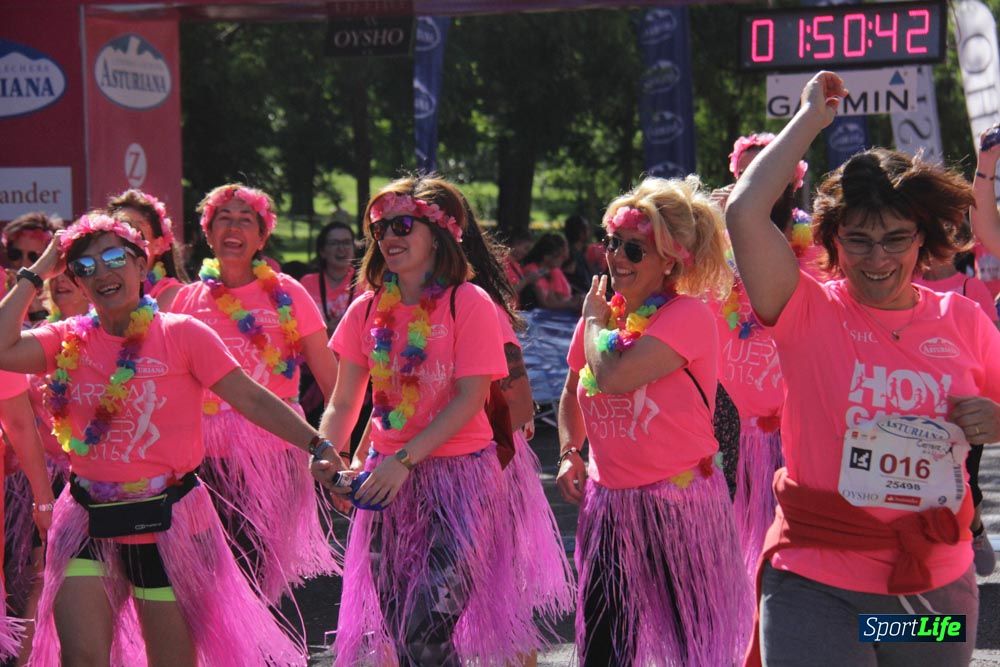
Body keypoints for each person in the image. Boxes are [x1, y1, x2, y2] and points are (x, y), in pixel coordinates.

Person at [727, 71, 995, 666]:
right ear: (833, 240)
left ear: (923, 240)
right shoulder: (807, 308)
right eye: (859, 241)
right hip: (818, 585)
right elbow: (745, 212)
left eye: (896, 240)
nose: (878, 259)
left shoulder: (964, 321)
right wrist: (809, 121)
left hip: (933, 587)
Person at [0, 213, 342, 665]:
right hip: (87, 520)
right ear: (78, 286)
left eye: (115, 258)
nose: (103, 273)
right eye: (85, 267)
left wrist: (318, 445)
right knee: (81, 657)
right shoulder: (65, 341)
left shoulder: (182, 334)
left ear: (142, 266)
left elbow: (252, 400)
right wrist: (36, 272)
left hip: (168, 524)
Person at [312, 176, 541, 665]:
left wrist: (403, 460)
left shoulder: (470, 303)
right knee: (405, 637)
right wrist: (327, 454)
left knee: (426, 631)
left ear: (438, 234)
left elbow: (468, 400)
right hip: (386, 487)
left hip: (461, 483)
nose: (388, 238)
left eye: (402, 225)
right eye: (379, 230)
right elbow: (344, 401)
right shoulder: (365, 310)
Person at [557, 177, 751, 666]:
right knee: (605, 645)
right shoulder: (602, 316)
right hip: (610, 505)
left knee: (690, 649)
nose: (616, 257)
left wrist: (596, 324)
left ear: (669, 259)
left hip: (678, 504)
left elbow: (616, 375)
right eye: (612, 244)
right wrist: (567, 452)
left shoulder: (686, 317)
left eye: (634, 249)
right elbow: (571, 392)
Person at [169, 184, 340, 602]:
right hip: (203, 458)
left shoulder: (288, 293)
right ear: (208, 234)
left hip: (272, 453)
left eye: (246, 220)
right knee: (207, 574)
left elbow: (332, 378)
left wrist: (340, 450)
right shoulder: (185, 301)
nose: (233, 227)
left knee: (257, 569)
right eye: (223, 218)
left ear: (262, 238)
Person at [460, 198, 576, 664]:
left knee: (492, 586)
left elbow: (521, 403)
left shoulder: (480, 306)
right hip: (416, 474)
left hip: (485, 466)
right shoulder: (388, 308)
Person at [715, 132, 816, 577]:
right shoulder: (714, 247)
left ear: (791, 182)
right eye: (745, 175)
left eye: (767, 173)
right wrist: (717, 230)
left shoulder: (817, 246)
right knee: (747, 539)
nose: (755, 184)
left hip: (807, 415)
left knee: (807, 534)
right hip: (735, 415)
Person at [106, 189, 188, 310]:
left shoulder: (174, 295)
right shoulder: (101, 289)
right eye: (117, 230)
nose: (125, 237)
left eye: (135, 229)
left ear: (158, 245)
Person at [300, 220, 358, 336]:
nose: (341, 248)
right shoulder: (307, 283)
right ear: (322, 251)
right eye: (334, 243)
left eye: (346, 242)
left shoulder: (366, 283)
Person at [3, 213, 62, 325]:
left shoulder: (62, 292)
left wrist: (34, 305)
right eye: (15, 254)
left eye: (33, 257)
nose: (24, 263)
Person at [519, 232, 581, 311]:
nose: (563, 260)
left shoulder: (549, 272)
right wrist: (572, 304)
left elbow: (553, 300)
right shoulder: (532, 270)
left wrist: (574, 300)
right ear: (546, 257)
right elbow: (545, 304)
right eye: (560, 257)